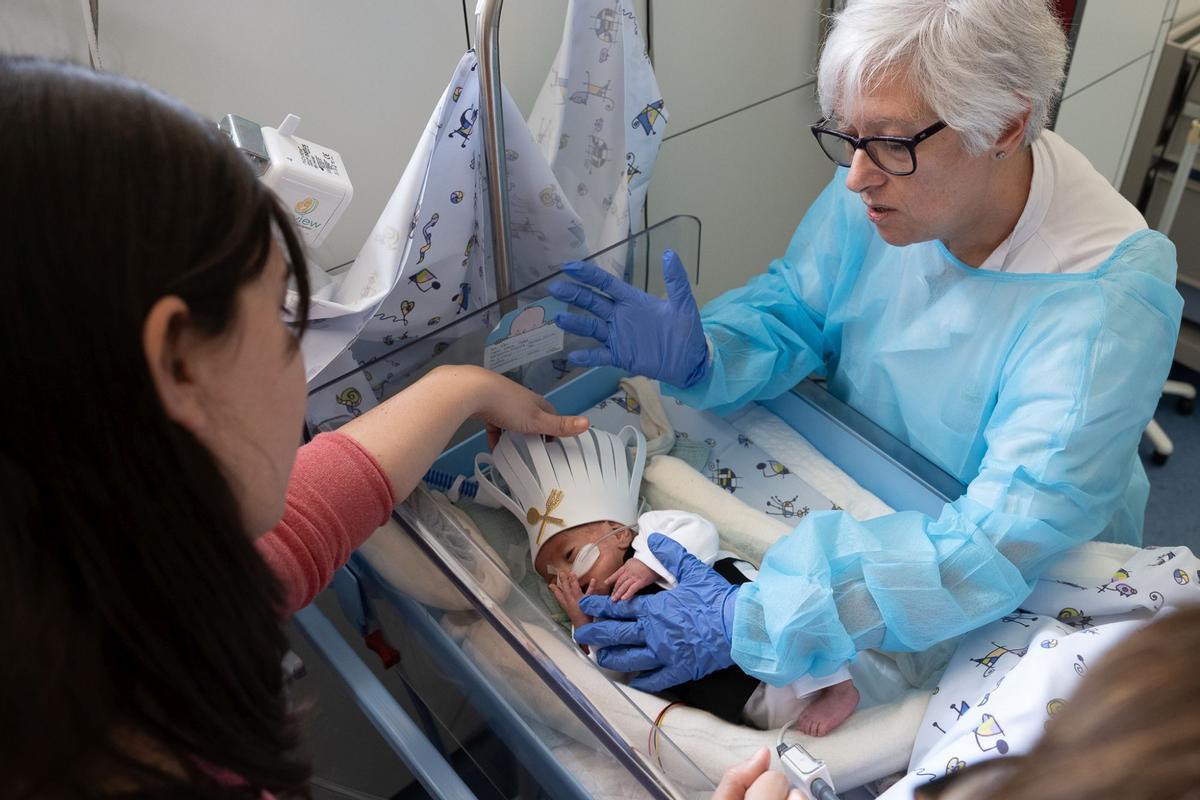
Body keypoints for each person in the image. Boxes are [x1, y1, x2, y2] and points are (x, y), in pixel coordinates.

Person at [548, 0, 1185, 696]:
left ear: (1005, 124)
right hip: (875, 476)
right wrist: (709, 352)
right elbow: (802, 300)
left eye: (888, 143)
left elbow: (1001, 542)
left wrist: (762, 615)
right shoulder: (889, 177)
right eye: (848, 136)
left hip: (1022, 568)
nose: (856, 176)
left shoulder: (1105, 299)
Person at [0, 55, 589, 797]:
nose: (300, 361)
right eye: (285, 320)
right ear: (179, 361)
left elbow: (288, 533)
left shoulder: (103, 585)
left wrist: (458, 386)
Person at [475, 427, 860, 735]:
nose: (568, 575)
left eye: (572, 555)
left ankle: (838, 687)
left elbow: (701, 532)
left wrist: (647, 564)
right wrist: (584, 626)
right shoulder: (607, 617)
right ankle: (788, 727)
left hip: (739, 610)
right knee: (757, 708)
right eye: (555, 577)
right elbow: (614, 675)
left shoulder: (650, 535)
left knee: (792, 622)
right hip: (723, 681)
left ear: (618, 533)